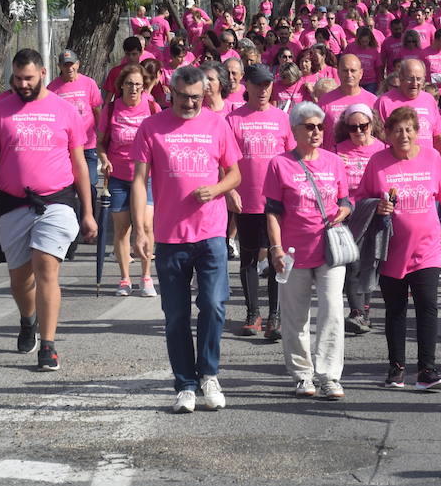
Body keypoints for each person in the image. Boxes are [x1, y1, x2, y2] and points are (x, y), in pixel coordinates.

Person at [0, 49, 97, 372]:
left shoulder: (64, 110)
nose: (22, 84)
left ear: (43, 73)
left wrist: (87, 211)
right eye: (17, 78)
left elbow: (79, 164)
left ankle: (48, 344)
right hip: (13, 203)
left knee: (45, 267)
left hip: (56, 201)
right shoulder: (0, 111)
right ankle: (28, 319)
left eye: (28, 78)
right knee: (19, 279)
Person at [132, 65, 242, 413]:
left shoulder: (217, 124)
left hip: (210, 233)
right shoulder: (151, 127)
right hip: (170, 236)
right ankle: (185, 384)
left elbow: (235, 173)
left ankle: (208, 373)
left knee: (213, 304)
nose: (191, 103)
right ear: (171, 92)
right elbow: (138, 180)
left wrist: (217, 188)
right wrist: (139, 228)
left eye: (197, 97)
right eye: (185, 97)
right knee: (176, 315)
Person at [356, 106, 441, 391]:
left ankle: (427, 370)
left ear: (417, 132)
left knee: (428, 305)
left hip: (427, 248)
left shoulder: (432, 157)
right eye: (397, 130)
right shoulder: (377, 162)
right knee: (396, 309)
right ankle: (397, 368)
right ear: (388, 134)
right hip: (390, 249)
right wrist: (376, 206)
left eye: (409, 130)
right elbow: (360, 199)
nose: (403, 135)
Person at [264, 102, 353, 399]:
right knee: (295, 316)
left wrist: (344, 209)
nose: (316, 132)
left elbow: (346, 199)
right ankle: (303, 375)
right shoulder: (279, 164)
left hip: (329, 250)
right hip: (293, 250)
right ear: (296, 130)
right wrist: (275, 248)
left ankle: (329, 375)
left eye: (320, 126)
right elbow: (273, 212)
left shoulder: (334, 161)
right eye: (310, 127)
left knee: (332, 312)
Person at [227, 62, 296, 338]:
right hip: (247, 200)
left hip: (277, 203)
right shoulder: (234, 119)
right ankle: (252, 314)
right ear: (247, 86)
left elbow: (292, 159)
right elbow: (225, 160)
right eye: (258, 84)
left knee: (278, 258)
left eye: (268, 84)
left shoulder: (281, 118)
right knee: (248, 258)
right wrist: (230, 191)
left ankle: (274, 317)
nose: (264, 90)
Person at [98, 63, 159, 296]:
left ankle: (146, 277)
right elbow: (101, 142)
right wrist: (104, 159)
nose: (134, 88)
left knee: (144, 225)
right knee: (122, 229)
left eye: (138, 85)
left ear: (144, 87)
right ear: (121, 85)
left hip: (146, 178)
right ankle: (124, 279)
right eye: (129, 84)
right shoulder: (112, 109)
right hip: (119, 177)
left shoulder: (151, 106)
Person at [336, 105, 385, 333]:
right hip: (348, 214)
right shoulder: (338, 150)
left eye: (363, 126)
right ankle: (356, 311)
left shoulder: (382, 149)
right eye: (353, 127)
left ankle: (365, 309)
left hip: (375, 213)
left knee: (371, 263)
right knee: (353, 262)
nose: (358, 131)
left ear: (372, 125)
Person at [48, 50, 103, 189]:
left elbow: (97, 111)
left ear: (78, 64)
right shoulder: (52, 89)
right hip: (66, 147)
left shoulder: (89, 83)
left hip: (88, 145)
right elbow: (51, 119)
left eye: (72, 64)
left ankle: (89, 210)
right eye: (65, 65)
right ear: (59, 66)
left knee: (90, 183)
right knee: (70, 185)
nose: (69, 68)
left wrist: (102, 137)